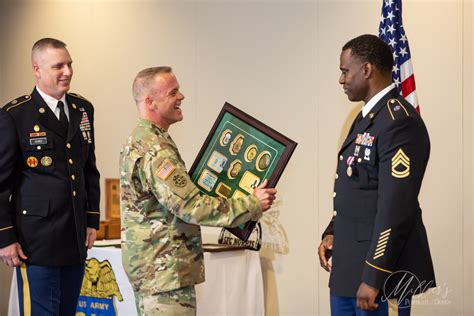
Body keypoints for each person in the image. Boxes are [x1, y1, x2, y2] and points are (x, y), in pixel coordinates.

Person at [120, 66, 277, 315]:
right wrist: (252, 204)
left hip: (156, 271)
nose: (181, 97)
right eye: (173, 92)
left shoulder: (143, 139)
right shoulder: (156, 149)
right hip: (165, 274)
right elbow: (191, 206)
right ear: (151, 101)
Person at [318, 34, 435, 315]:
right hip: (349, 269)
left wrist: (375, 275)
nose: (341, 79)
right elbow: (358, 187)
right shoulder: (366, 118)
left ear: (367, 69)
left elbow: (395, 207)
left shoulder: (399, 122)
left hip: (380, 275)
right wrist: (333, 232)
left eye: (345, 71)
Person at [0, 38, 100, 315]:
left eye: (69, 64)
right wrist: (5, 238)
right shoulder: (15, 115)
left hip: (75, 235)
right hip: (37, 240)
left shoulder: (82, 109)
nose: (67, 71)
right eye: (58, 66)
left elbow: (88, 167)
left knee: (68, 311)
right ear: (37, 69)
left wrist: (92, 219)